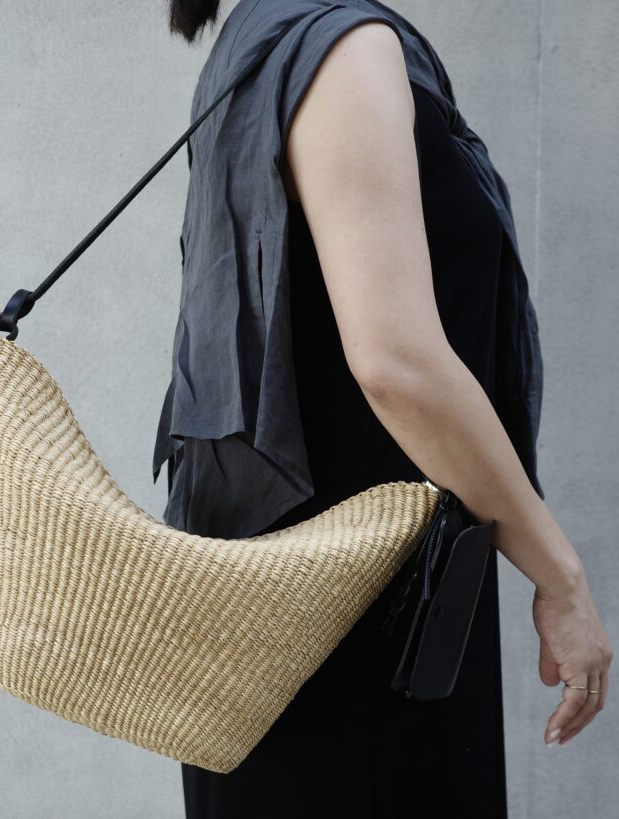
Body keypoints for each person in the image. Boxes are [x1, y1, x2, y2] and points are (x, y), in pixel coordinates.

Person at [153, 0, 613, 815]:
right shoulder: (342, 51)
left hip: (282, 627)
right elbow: (396, 363)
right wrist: (562, 580)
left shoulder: (258, 46)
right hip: (365, 629)